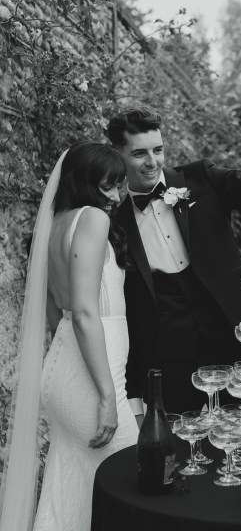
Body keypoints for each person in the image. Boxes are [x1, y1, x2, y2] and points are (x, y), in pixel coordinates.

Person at [107, 106, 241, 415]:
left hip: (231, 333)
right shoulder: (116, 222)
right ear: (117, 154)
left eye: (158, 150)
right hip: (169, 355)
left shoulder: (199, 177)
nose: (152, 162)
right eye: (139, 154)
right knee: (187, 443)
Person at [0, 140, 141, 531]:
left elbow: (54, 312)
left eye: (118, 186)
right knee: (131, 482)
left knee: (69, 488)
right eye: (107, 186)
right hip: (93, 381)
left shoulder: (52, 224)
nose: (115, 197)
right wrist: (108, 396)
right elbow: (82, 312)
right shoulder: (92, 220)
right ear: (83, 183)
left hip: (61, 371)